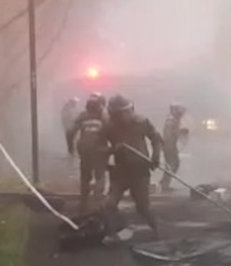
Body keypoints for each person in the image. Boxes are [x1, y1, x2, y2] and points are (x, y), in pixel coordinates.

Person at [103, 94, 163, 233]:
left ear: (130, 110)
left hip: (139, 169)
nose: (122, 117)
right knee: (110, 205)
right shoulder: (109, 127)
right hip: (120, 170)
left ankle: (156, 230)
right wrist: (112, 149)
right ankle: (115, 230)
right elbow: (99, 149)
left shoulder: (142, 122)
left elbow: (155, 138)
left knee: (142, 206)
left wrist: (156, 156)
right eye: (117, 114)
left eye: (125, 113)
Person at [68, 93, 109, 212]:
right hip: (100, 150)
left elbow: (70, 132)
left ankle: (83, 202)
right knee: (100, 176)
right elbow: (112, 131)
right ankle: (98, 203)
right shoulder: (104, 116)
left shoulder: (82, 116)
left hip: (84, 149)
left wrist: (70, 147)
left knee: (85, 176)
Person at [159, 103, 189, 192]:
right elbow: (169, 134)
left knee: (174, 164)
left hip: (171, 145)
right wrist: (180, 132)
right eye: (181, 111)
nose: (182, 113)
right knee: (172, 164)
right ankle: (164, 184)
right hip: (169, 145)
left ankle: (164, 182)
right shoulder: (171, 120)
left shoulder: (175, 119)